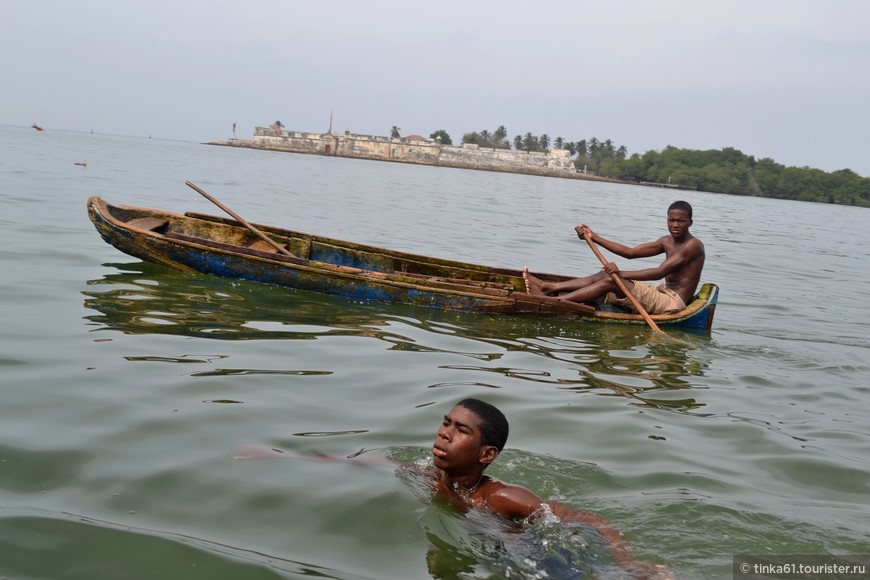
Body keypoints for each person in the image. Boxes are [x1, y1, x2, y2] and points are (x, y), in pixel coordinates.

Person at [234, 398, 670, 577]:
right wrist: (279, 456)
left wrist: (629, 566)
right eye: (445, 423)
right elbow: (370, 461)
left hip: (542, 559)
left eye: (460, 430)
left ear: (486, 455)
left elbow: (588, 519)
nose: (444, 434)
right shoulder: (432, 477)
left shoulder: (499, 496)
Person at [523, 201, 705, 314]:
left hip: (672, 303)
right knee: (605, 275)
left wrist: (620, 273)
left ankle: (555, 302)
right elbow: (630, 253)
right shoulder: (667, 241)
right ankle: (549, 286)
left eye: (680, 221)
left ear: (690, 222)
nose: (674, 225)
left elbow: (659, 272)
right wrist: (595, 237)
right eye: (671, 220)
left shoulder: (693, 246)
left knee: (612, 281)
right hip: (661, 292)